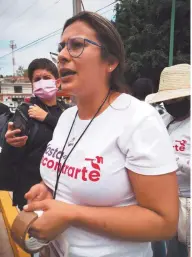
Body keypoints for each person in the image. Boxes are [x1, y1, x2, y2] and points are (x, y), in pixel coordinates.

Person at [24, 12, 179, 257]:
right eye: (61, 47)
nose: (62, 56)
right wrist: (48, 188)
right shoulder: (66, 117)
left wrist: (71, 214)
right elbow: (71, 178)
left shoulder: (138, 118)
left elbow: (164, 222)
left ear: (111, 62)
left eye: (76, 45)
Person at [2, 58, 67, 210]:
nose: (42, 82)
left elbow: (74, 134)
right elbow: (15, 145)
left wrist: (47, 118)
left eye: (46, 77)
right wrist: (10, 143)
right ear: (32, 85)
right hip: (32, 189)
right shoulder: (25, 111)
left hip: (63, 188)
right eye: (37, 79)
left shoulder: (67, 111)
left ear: (57, 83)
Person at [146, 63, 190, 257]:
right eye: (169, 100)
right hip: (165, 200)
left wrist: (173, 158)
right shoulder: (164, 121)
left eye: (177, 99)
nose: (172, 104)